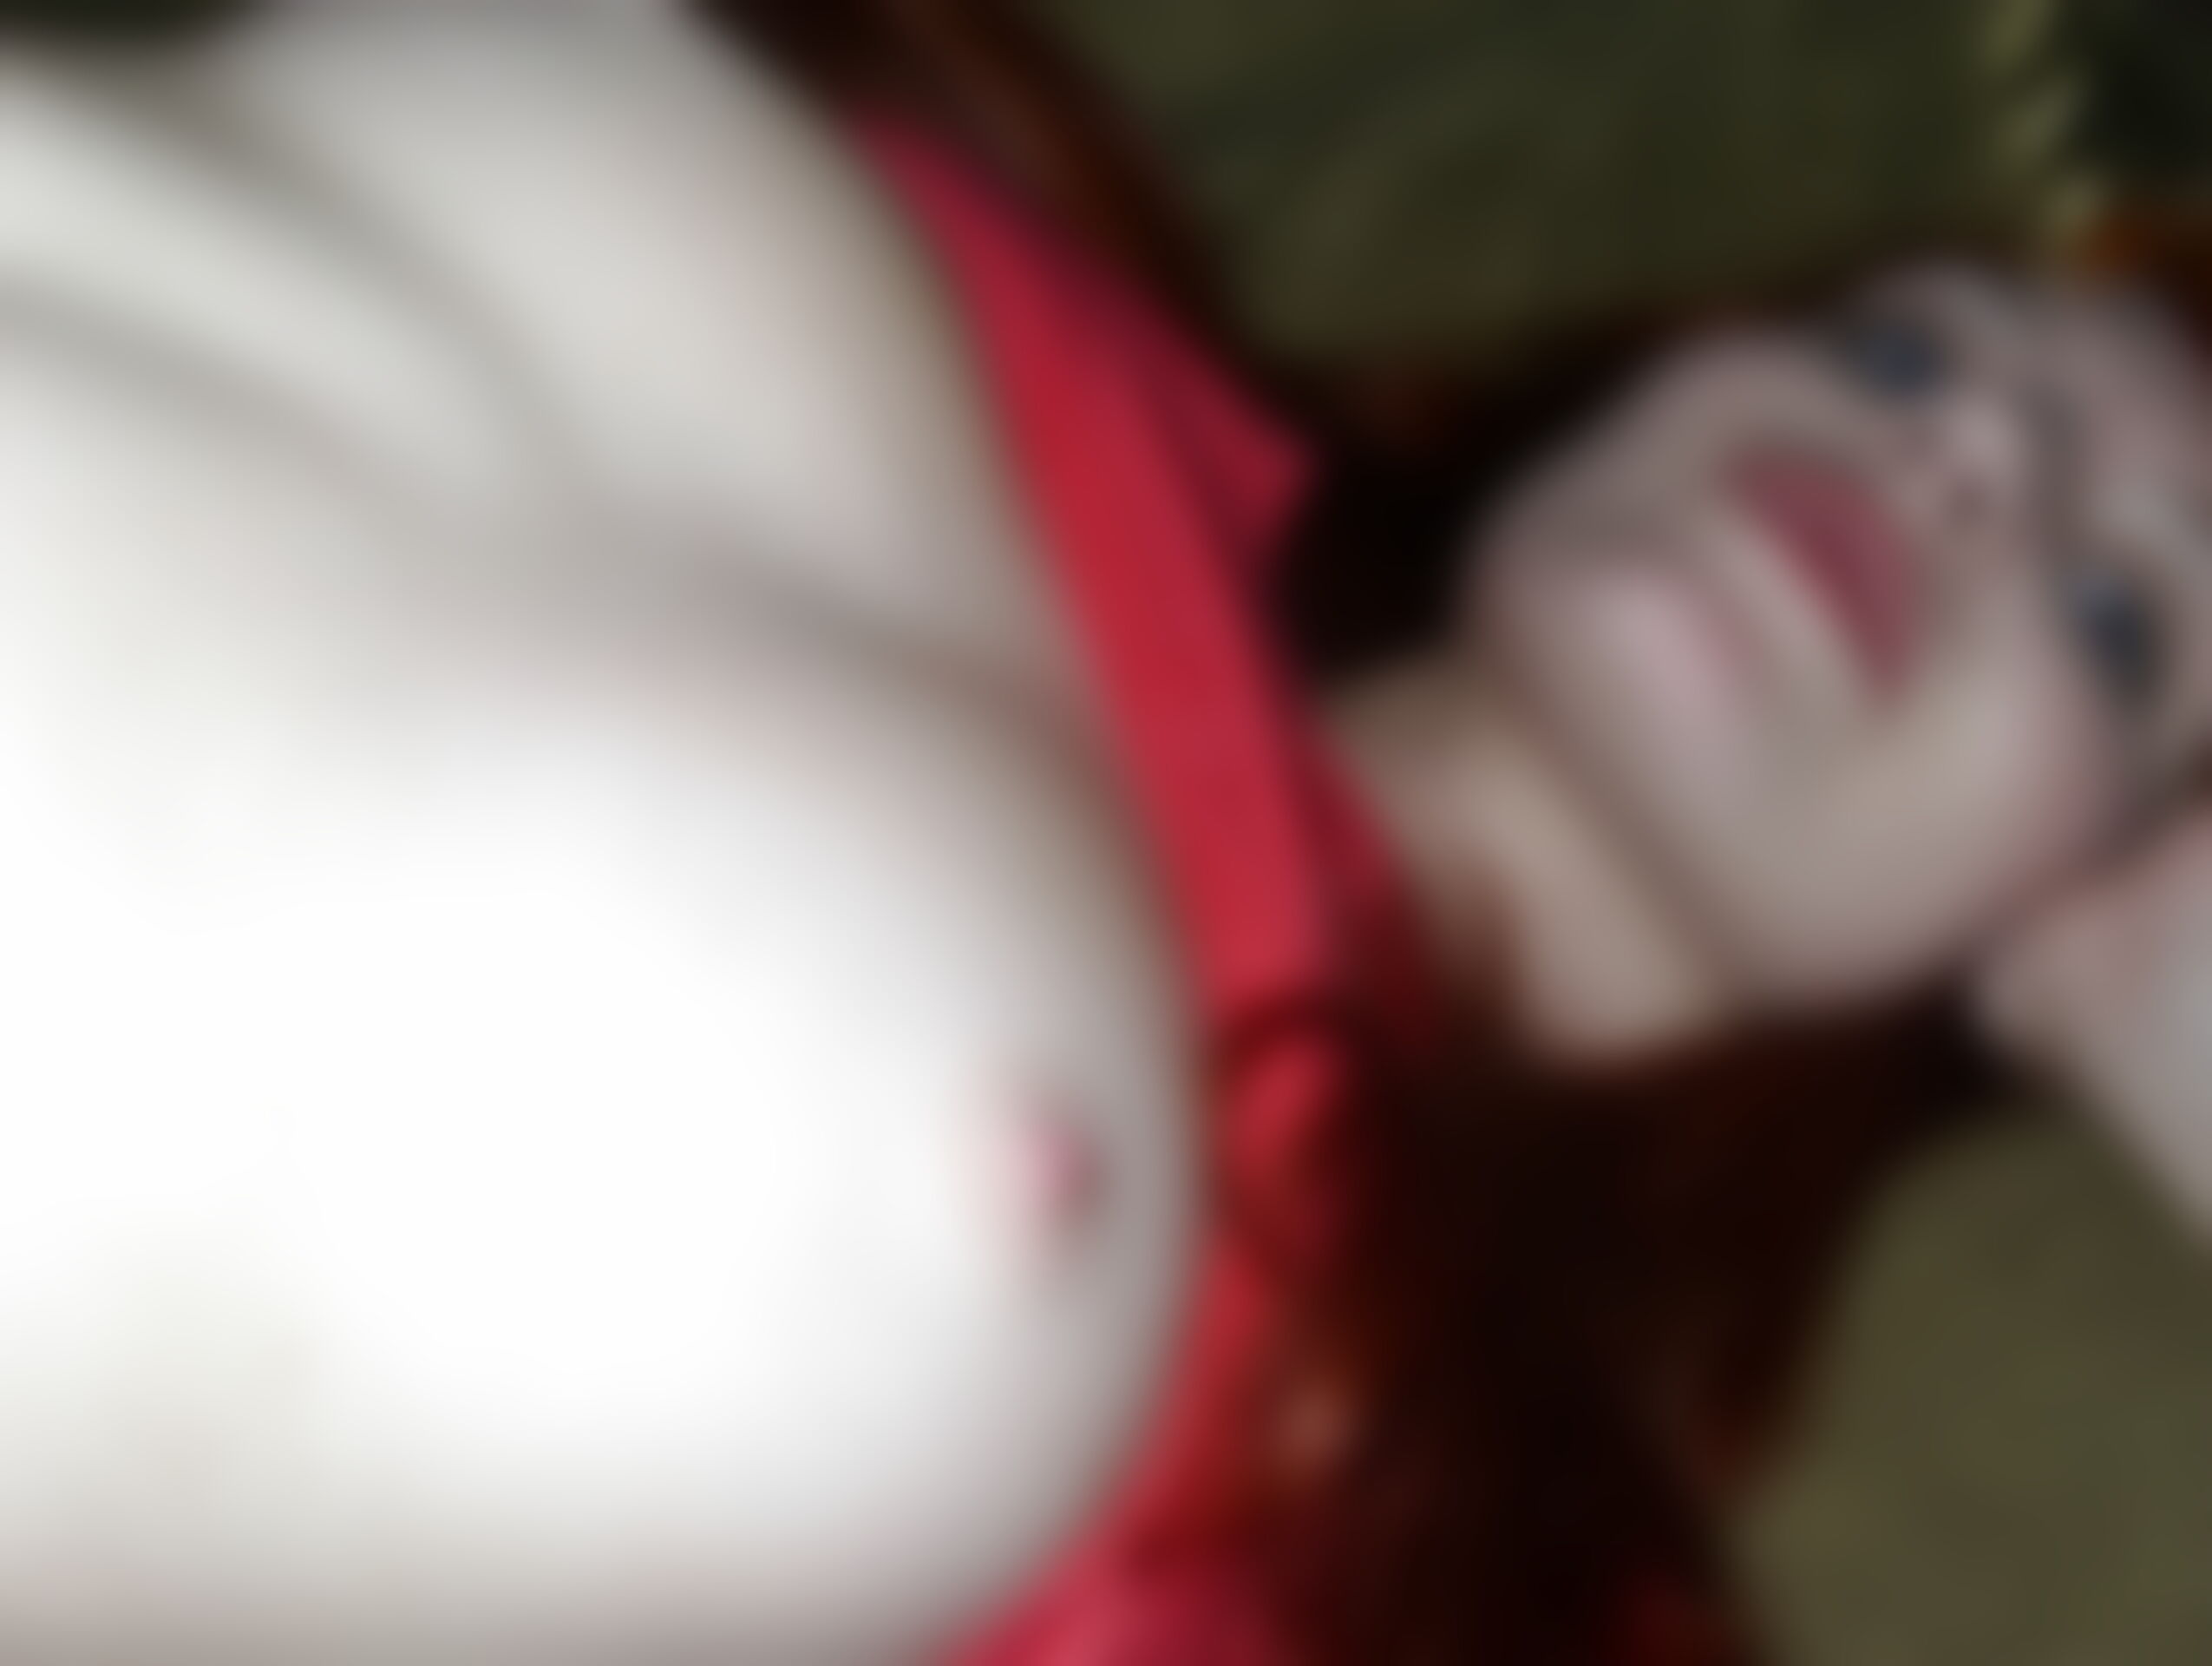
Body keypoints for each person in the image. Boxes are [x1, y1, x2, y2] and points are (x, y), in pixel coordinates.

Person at [6, 4, 2212, 1663]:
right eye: (1914, 354)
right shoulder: (1023, 187)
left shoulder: (1464, 1569)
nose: (1974, 458)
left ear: (2065, 925)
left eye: (2116, 621)